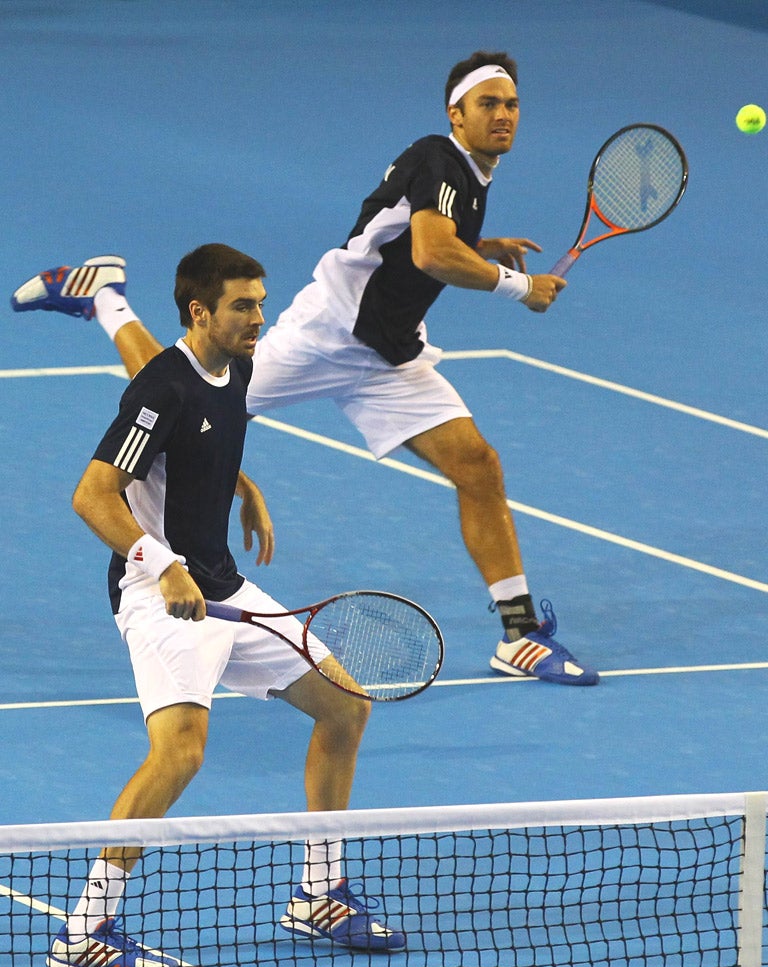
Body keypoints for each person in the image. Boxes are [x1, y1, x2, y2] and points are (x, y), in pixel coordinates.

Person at [11, 50, 598, 687]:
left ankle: (517, 635)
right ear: (456, 113)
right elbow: (430, 253)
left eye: (511, 104)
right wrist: (517, 285)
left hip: (388, 356)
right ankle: (105, 295)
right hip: (328, 335)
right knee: (178, 385)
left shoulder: (466, 177)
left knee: (477, 464)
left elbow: (401, 236)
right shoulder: (440, 158)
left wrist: (479, 247)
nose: (503, 115)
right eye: (488, 103)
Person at [19, 244, 405, 967]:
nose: (261, 317)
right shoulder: (162, 391)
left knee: (346, 707)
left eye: (261, 301)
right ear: (200, 312)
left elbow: (198, 431)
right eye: (243, 305)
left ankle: (319, 894)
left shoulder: (235, 364)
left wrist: (238, 482)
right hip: (158, 594)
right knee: (181, 754)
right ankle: (85, 927)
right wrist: (160, 566)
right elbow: (93, 496)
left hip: (221, 587)